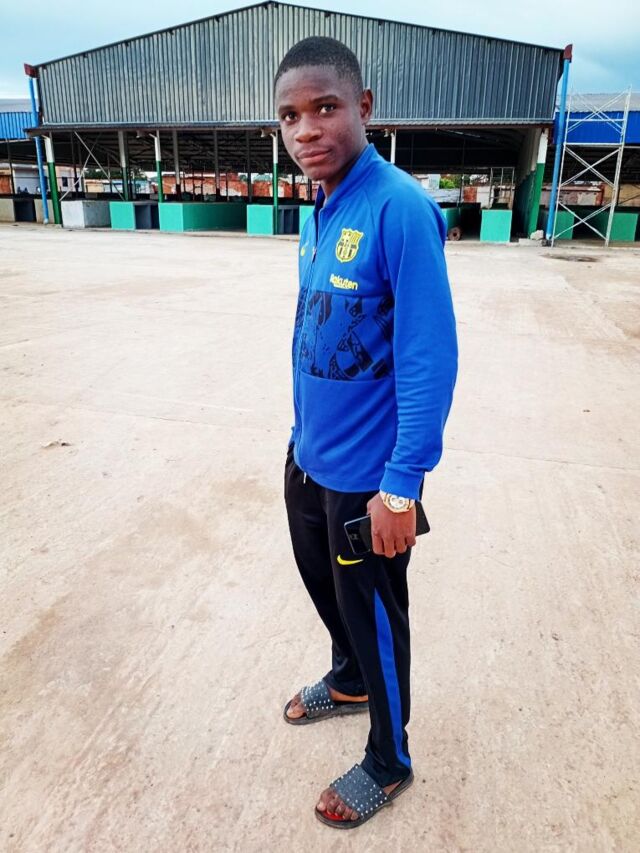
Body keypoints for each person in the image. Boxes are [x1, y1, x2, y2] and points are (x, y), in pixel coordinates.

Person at [276, 36, 458, 829]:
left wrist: (401, 484)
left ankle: (389, 758)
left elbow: (428, 356)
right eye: (290, 116)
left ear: (364, 107)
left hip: (368, 480)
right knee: (327, 592)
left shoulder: (399, 208)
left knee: (376, 613)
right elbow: (316, 331)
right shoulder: (320, 208)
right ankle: (348, 678)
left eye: (324, 107)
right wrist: (298, 439)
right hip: (310, 458)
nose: (306, 129)